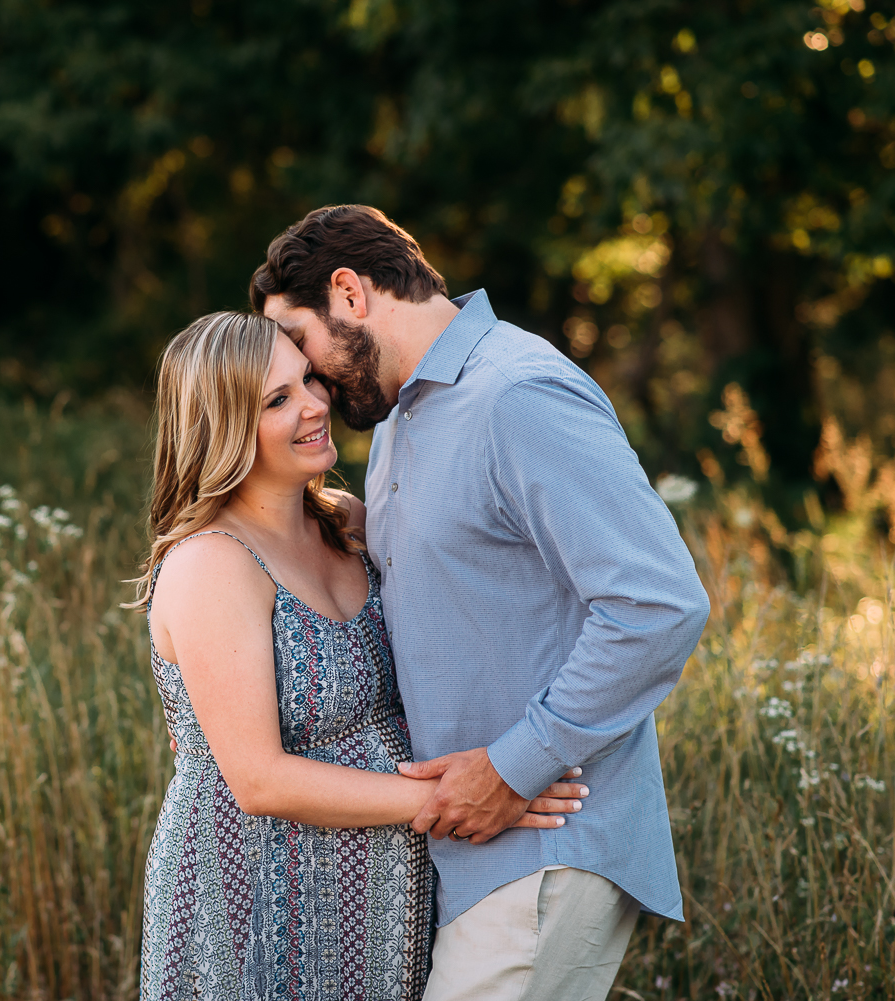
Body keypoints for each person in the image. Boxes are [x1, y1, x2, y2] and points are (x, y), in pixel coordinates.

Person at [250, 204, 711, 1001]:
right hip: (466, 860)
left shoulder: (516, 392)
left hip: (544, 844)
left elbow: (659, 604)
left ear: (350, 293)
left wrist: (513, 763)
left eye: (300, 342)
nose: (310, 377)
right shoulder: (404, 416)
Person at [133, 310, 589, 1001]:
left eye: (308, 379)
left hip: (381, 884)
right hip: (254, 892)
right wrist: (466, 794)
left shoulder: (346, 521)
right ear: (224, 428)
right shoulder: (212, 562)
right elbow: (259, 780)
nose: (316, 405)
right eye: (278, 400)